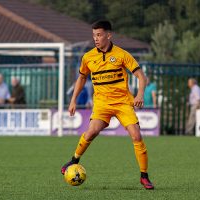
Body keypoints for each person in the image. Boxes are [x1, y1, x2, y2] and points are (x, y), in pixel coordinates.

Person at [60, 20, 154, 190]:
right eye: (94, 35)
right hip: (102, 103)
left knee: (137, 136)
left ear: (108, 35)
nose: (96, 39)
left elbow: (141, 76)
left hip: (123, 102)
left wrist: (140, 94)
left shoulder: (122, 54)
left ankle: (144, 176)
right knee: (91, 133)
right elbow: (81, 78)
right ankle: (74, 160)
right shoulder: (88, 57)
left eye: (99, 35)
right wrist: (73, 99)